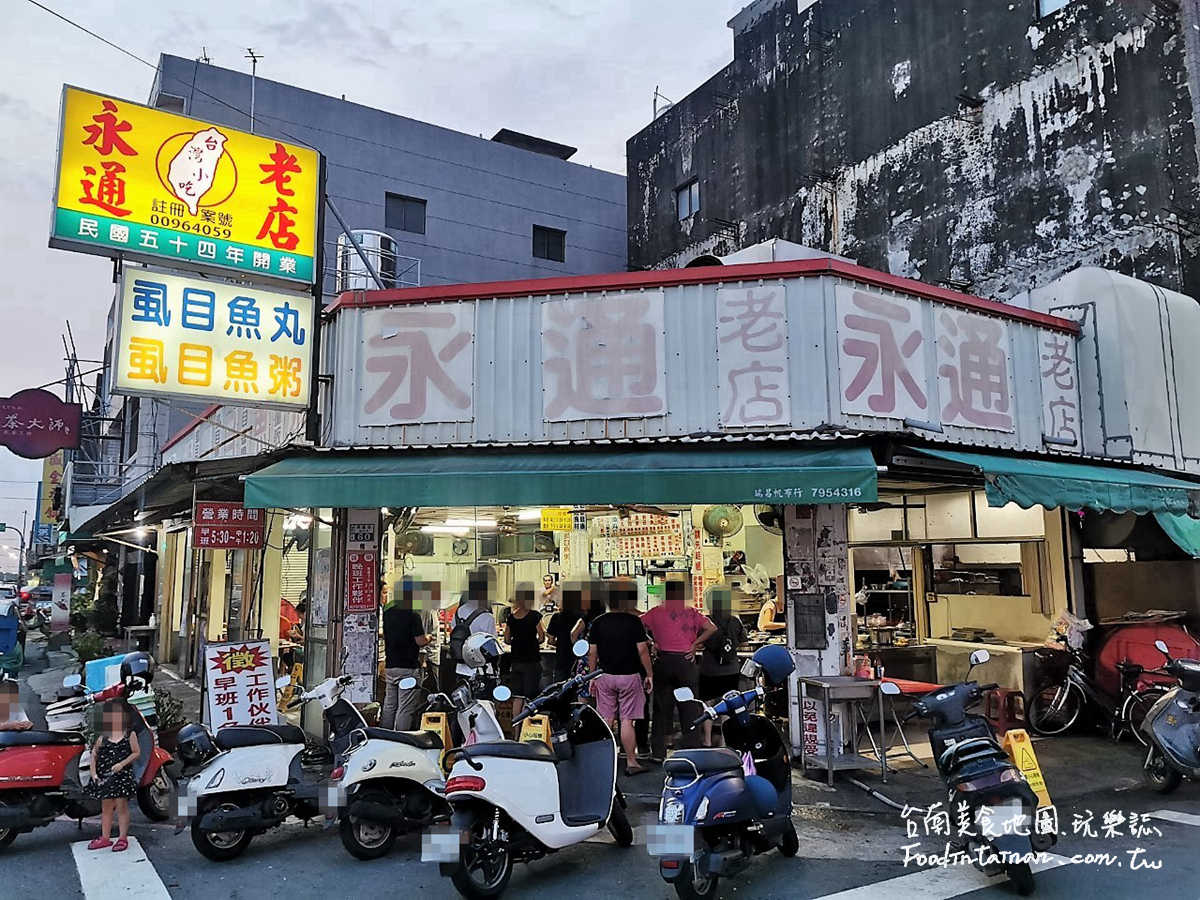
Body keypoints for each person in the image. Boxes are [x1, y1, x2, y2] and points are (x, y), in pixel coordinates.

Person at [641, 580, 717, 761]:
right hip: (685, 661)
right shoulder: (691, 612)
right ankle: (691, 751)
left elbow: (637, 625)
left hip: (663, 661)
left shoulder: (655, 612)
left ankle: (658, 753)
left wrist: (652, 642)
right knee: (690, 708)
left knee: (661, 709)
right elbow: (712, 628)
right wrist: (695, 645)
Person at [588, 580, 653, 775]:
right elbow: (642, 651)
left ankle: (601, 761)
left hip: (605, 676)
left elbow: (592, 653)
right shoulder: (634, 622)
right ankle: (632, 763)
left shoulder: (598, 622)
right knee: (626, 721)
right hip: (629, 677)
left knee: (606, 719)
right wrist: (649, 674)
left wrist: (592, 676)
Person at [87, 701, 141, 852]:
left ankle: (122, 838)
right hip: (105, 777)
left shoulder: (129, 734)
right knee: (106, 807)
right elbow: (94, 755)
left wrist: (122, 764)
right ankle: (105, 837)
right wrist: (94, 774)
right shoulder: (103, 737)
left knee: (121, 806)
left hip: (121, 777)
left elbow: (136, 752)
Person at [699, 587, 748, 747]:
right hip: (731, 669)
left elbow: (698, 642)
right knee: (727, 703)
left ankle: (706, 739)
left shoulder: (705, 621)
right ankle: (724, 740)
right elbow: (744, 643)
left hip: (709, 669)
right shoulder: (735, 621)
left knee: (708, 703)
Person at [381, 578, 432, 731]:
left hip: (391, 666)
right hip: (407, 668)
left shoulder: (388, 612)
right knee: (405, 708)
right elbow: (420, 641)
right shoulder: (413, 614)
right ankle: (399, 740)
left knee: (390, 705)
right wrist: (429, 638)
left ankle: (384, 735)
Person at [503, 584, 545, 719]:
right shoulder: (535, 616)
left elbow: (507, 639)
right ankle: (526, 729)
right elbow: (542, 636)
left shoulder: (511, 617)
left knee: (517, 697)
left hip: (516, 661)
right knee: (530, 697)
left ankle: (516, 731)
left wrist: (518, 642)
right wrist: (533, 642)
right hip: (532, 661)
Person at [454, 566, 498, 679]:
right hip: (481, 672)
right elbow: (493, 647)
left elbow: (453, 628)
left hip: (460, 668)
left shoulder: (459, 611)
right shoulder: (487, 617)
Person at [546, 583, 583, 683]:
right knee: (576, 688)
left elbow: (550, 639)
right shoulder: (581, 617)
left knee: (559, 689)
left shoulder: (556, 617)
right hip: (577, 658)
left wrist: (557, 643)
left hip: (561, 657)